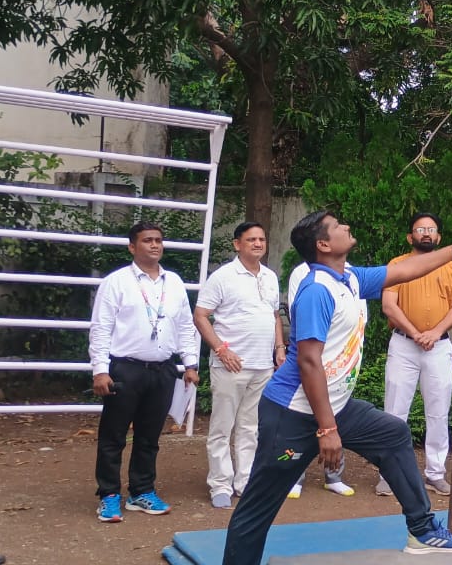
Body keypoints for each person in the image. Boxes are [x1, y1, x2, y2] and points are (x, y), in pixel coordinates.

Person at [223, 211, 452, 563]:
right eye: (337, 226)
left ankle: (422, 531)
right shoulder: (317, 291)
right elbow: (308, 361)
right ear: (324, 244)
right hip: (293, 413)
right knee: (259, 506)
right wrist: (327, 429)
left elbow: (406, 270)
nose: (347, 226)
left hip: (335, 405)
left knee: (393, 433)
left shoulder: (350, 278)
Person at [89, 221, 200, 523]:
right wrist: (100, 370)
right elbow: (101, 328)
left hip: (163, 370)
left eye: (159, 240)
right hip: (125, 368)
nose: (155, 245)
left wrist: (190, 364)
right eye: (148, 240)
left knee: (149, 436)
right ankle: (109, 495)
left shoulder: (173, 282)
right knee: (113, 435)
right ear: (132, 247)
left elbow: (185, 326)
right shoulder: (117, 282)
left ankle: (141, 491)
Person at [192, 222, 285, 509]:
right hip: (230, 365)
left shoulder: (269, 277)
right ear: (237, 244)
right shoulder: (223, 277)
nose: (257, 243)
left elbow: (274, 316)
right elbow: (200, 315)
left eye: (261, 239)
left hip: (262, 365)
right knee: (222, 427)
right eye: (251, 239)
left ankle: (244, 481)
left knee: (251, 427)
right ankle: (219, 483)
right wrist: (221, 350)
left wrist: (279, 349)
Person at [377, 212, 452, 497]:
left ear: (438, 237)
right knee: (394, 412)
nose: (426, 234)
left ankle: (435, 473)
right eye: (420, 230)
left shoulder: (451, 267)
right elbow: (389, 306)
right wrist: (416, 333)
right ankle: (389, 474)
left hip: (439, 346)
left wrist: (434, 332)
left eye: (431, 229)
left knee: (439, 412)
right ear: (410, 237)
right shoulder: (397, 265)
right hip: (404, 345)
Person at [286, 260, 358, 500]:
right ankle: (295, 477)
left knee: (334, 420)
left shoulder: (350, 273)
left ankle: (334, 476)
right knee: (303, 423)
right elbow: (302, 314)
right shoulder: (304, 273)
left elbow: (357, 315)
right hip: (316, 357)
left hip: (341, 361)